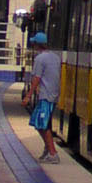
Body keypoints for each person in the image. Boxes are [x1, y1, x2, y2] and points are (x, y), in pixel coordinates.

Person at [26, 30, 61, 163]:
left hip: (45, 96)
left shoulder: (40, 59)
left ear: (37, 45)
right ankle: (48, 148)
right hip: (53, 95)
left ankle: (53, 153)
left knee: (42, 125)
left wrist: (28, 96)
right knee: (40, 123)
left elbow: (36, 78)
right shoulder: (56, 57)